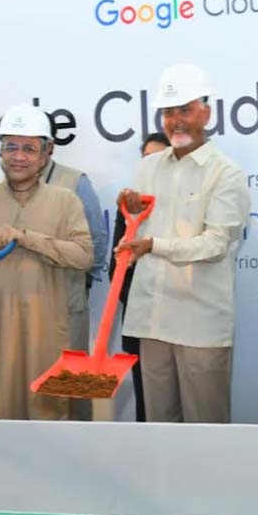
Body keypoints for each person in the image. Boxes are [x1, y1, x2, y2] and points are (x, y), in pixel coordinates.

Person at [118, 63, 251, 423]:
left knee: (205, 434)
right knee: (159, 430)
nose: (175, 121)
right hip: (151, 320)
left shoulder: (226, 173)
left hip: (200, 325)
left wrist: (153, 245)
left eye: (185, 110)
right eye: (168, 112)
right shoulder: (148, 168)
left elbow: (216, 244)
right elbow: (137, 228)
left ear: (206, 113)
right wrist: (130, 222)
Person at [0, 104, 93, 420]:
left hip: (45, 334)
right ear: (0, 151)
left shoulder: (65, 201)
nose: (19, 157)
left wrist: (25, 238)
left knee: (48, 419)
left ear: (46, 154)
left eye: (29, 149)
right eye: (11, 147)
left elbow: (83, 256)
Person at [42, 122, 108, 421]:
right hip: (24, 306)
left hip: (68, 301)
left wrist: (83, 282)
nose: (22, 155)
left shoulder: (74, 181)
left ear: (49, 146)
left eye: (32, 145)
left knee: (73, 389)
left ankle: (81, 445)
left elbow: (96, 237)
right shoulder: (7, 187)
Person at [109, 131, 169, 422]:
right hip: (139, 325)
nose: (151, 165)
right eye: (146, 159)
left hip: (180, 326)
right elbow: (116, 273)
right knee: (148, 409)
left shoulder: (186, 206)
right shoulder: (129, 207)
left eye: (159, 158)